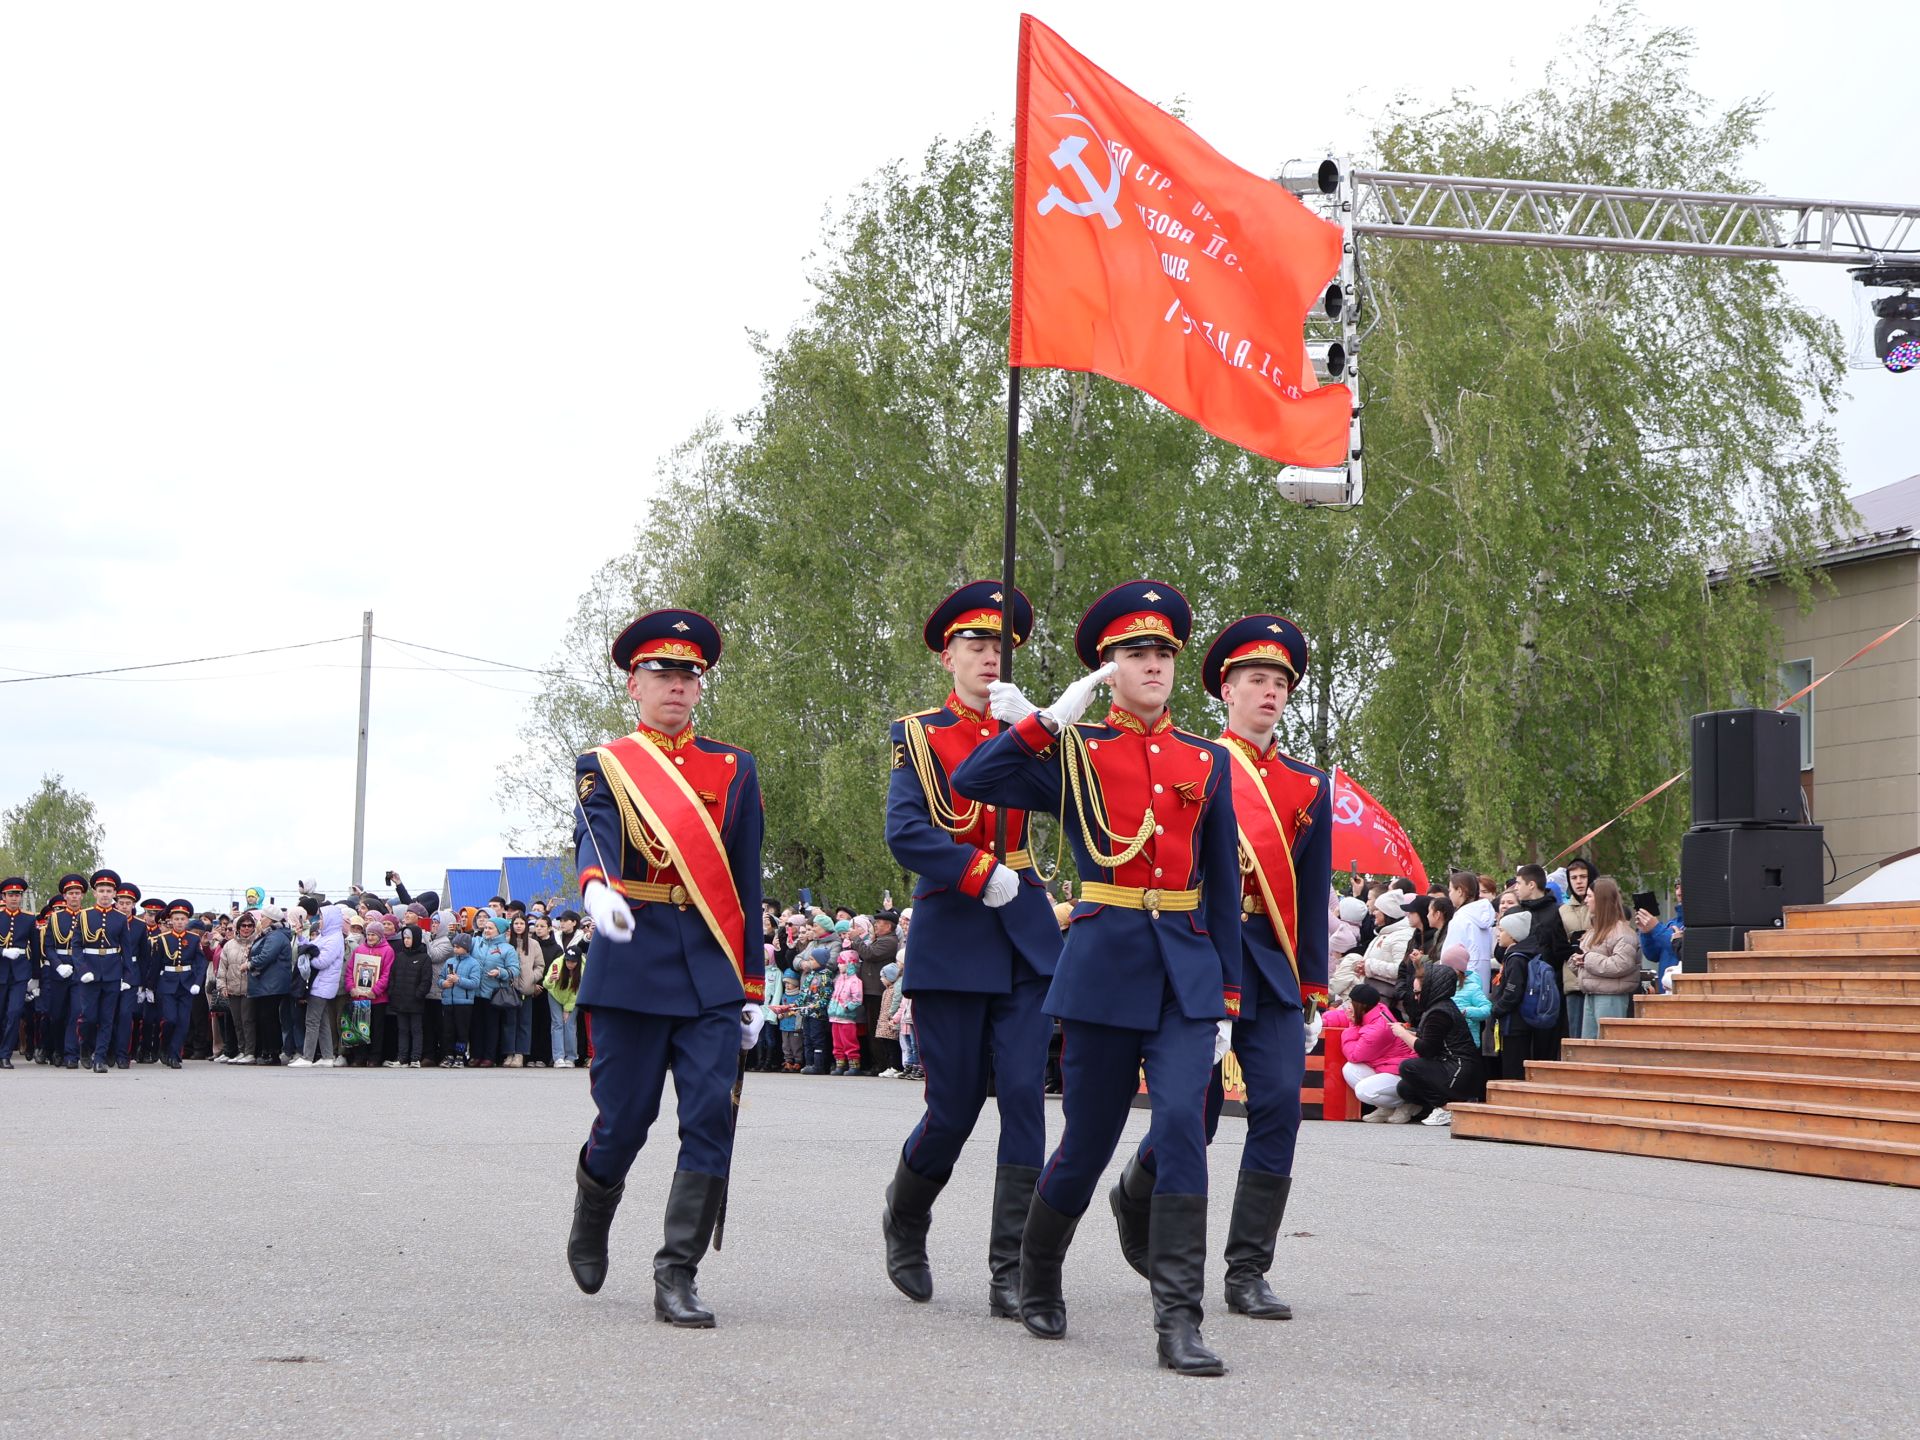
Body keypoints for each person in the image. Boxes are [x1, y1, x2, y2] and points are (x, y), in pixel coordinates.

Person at [957, 579, 1240, 1377]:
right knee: (1085, 1142)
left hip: (1184, 970)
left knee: (1184, 1123)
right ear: (1107, 670)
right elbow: (976, 783)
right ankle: (1036, 1267)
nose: (1152, 665)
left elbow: (1222, 885)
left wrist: (1226, 994)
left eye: (1162, 654)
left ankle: (1177, 1320)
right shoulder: (1077, 753)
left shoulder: (1206, 761)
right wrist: (1047, 722)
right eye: (1133, 654)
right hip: (1104, 965)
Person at [1108, 613, 1332, 1324]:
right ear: (1226, 690)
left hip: (1273, 965)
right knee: (1191, 1116)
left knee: (1276, 1112)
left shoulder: (1307, 785)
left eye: (1279, 684)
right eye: (1255, 680)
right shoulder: (1197, 762)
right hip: (1203, 955)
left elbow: (1313, 887)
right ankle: (1133, 1193)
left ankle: (1246, 1271)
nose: (1268, 693)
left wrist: (1314, 986)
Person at [564, 607, 765, 1330]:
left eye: (688, 674)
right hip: (632, 957)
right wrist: (595, 890)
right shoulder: (607, 764)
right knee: (625, 1121)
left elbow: (745, 881)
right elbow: (597, 838)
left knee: (711, 1116)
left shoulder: (733, 767)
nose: (677, 686)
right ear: (633, 684)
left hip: (710, 966)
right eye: (661, 673)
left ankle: (677, 1272)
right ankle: (593, 1207)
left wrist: (751, 987)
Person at [879, 581, 1061, 1317]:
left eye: (1000, 646)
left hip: (1022, 938)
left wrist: (1040, 738)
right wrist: (974, 869)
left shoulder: (1026, 729)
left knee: (1023, 1096)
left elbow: (1076, 802)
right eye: (976, 645)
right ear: (948, 656)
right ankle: (906, 1214)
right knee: (953, 1109)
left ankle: (1009, 1270)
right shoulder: (920, 735)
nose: (990, 656)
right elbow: (907, 831)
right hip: (956, 933)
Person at [1395, 961, 1486, 1126]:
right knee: (1405, 1088)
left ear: (1431, 989)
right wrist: (1409, 1032)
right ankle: (1440, 1106)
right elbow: (1432, 1037)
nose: (1415, 997)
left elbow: (1426, 1049)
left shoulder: (1439, 1012)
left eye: (1417, 993)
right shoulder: (1439, 1007)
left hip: (1459, 1070)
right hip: (1456, 1068)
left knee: (1408, 1067)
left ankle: (1445, 1108)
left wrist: (1402, 1034)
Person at [1513, 864, 1570, 1062]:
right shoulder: (1516, 912)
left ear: (1531, 885)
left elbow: (1559, 950)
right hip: (1518, 988)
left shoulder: (1555, 913)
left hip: (1545, 990)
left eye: (1519, 883)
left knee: (1545, 1048)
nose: (1515, 888)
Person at [1339, 982, 1418, 1121]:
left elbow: (1354, 1055)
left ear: (1360, 1006)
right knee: (1350, 1069)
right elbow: (1341, 1015)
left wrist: (1351, 1027)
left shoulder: (1378, 1029)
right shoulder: (1375, 1010)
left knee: (1363, 1091)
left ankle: (1408, 1103)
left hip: (1400, 1071)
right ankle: (1386, 1108)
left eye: (1351, 1002)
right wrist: (1324, 1019)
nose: (1348, 1006)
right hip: (1385, 1065)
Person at [1576, 877, 1642, 1038]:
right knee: (1589, 1051)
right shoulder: (1594, 930)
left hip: (1611, 998)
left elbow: (1620, 964)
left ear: (1601, 900)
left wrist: (1588, 959)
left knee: (1608, 1047)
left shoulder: (1623, 933)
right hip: (1591, 995)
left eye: (1590, 896)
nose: (1586, 900)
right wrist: (1577, 961)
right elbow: (1589, 960)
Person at [147, 901, 206, 1068]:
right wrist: (149, 987)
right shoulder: (162, 939)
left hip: (187, 984)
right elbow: (155, 964)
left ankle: (174, 1054)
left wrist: (197, 982)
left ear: (187, 921)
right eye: (176, 919)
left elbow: (201, 963)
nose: (179, 922)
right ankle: (164, 1045)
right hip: (167, 983)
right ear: (170, 921)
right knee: (170, 1019)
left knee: (183, 1022)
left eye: (182, 919)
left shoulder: (194, 939)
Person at [471, 914, 516, 1068]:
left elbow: (514, 970)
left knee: (491, 1026)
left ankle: (489, 1056)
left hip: (494, 993)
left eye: (491, 928)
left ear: (500, 931)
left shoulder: (507, 949)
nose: (487, 930)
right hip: (475, 991)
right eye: (486, 927)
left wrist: (501, 972)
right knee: (476, 1025)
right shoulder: (477, 943)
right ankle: (476, 1055)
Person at [387, 923, 434, 1067]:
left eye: (409, 938)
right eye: (404, 938)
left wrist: (418, 994)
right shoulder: (400, 956)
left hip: (415, 1001)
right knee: (402, 1030)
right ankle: (402, 1058)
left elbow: (426, 980)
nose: (406, 940)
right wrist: (392, 992)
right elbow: (393, 977)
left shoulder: (424, 957)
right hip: (400, 1000)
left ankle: (415, 1058)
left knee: (416, 1029)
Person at [1559, 858, 1594, 1041]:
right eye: (1574, 877)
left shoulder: (1599, 905)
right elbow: (1557, 942)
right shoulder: (1563, 910)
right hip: (1572, 978)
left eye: (1583, 876)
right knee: (1575, 1034)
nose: (1579, 881)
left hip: (1598, 977)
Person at [0, 877, 31, 1068]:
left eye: (17, 895)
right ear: (3, 896)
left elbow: (35, 947)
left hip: (20, 972)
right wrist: (2, 951)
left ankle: (5, 1054)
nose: (14, 898)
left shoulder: (28, 918)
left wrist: (35, 976)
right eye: (10, 894)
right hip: (1, 969)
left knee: (14, 1012)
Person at [508, 913, 545, 1067]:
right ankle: (509, 1052)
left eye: (521, 923)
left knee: (524, 1022)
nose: (518, 926)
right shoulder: (506, 943)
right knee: (509, 1022)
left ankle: (520, 1054)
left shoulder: (533, 944)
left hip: (526, 989)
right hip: (509, 989)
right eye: (516, 923)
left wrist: (532, 978)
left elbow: (540, 966)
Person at [438, 932, 480, 1065]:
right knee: (448, 1031)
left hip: (464, 1003)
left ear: (466, 948)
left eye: (458, 946)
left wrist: (458, 980)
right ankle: (449, 1055)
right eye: (454, 946)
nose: (455, 949)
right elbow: (440, 978)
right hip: (448, 1002)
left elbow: (474, 983)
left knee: (462, 1031)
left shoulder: (473, 963)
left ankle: (460, 1056)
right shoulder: (449, 962)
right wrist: (443, 984)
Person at [1637, 884, 1685, 988]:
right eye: (1676, 887)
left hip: (1683, 988)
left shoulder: (1697, 925)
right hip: (1665, 988)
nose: (1678, 893)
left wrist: (1656, 928)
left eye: (1682, 887)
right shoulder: (1672, 923)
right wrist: (1646, 933)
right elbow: (1653, 955)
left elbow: (1683, 950)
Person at [545, 938, 583, 1069]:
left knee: (570, 1025)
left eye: (573, 961)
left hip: (573, 998)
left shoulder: (584, 968)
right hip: (555, 995)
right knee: (557, 1024)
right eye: (567, 960)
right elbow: (546, 985)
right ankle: (558, 1057)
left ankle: (571, 1057)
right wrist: (550, 979)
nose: (569, 964)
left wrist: (567, 1009)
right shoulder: (558, 963)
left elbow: (577, 991)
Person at [828, 950, 865, 1075]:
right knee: (837, 1042)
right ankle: (840, 1064)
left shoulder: (855, 981)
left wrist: (847, 1008)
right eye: (839, 963)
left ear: (850, 964)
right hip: (835, 1016)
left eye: (842, 963)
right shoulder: (839, 979)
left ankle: (854, 1065)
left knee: (849, 1041)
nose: (839, 966)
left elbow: (857, 999)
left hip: (847, 1017)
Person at [775, 970, 803, 1071]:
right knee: (785, 1044)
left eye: (789, 983)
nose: (787, 985)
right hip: (784, 1024)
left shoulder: (799, 996)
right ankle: (788, 1061)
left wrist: (793, 1012)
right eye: (785, 983)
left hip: (795, 1026)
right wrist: (780, 1013)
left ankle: (798, 1061)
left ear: (795, 984)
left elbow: (800, 1010)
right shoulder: (784, 996)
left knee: (796, 1044)